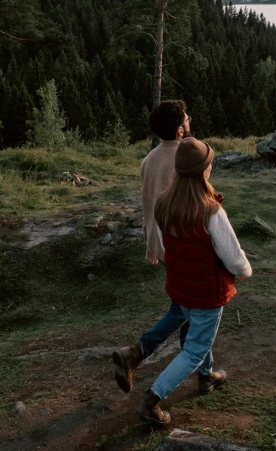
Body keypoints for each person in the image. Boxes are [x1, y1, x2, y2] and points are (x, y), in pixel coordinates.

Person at [135, 137, 252, 426]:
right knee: (194, 349)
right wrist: (245, 270)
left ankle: (207, 377)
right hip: (207, 293)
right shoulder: (211, 212)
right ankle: (151, 401)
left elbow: (165, 246)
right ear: (204, 170)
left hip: (181, 288)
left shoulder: (163, 205)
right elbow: (234, 259)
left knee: (199, 334)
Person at [112, 100, 193, 394]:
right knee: (188, 306)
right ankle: (137, 352)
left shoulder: (148, 160)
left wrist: (150, 243)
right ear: (180, 129)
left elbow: (147, 203)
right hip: (184, 243)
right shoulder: (186, 156)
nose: (189, 120)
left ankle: (196, 361)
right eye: (186, 119)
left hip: (161, 242)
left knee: (186, 302)